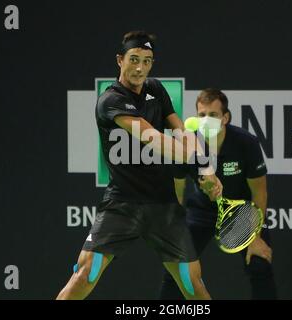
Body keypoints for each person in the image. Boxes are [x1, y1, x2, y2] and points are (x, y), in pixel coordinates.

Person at [56, 31, 222, 300]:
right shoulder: (110, 100)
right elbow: (153, 139)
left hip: (163, 205)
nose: (139, 68)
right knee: (86, 272)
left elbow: (180, 131)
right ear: (120, 60)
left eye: (147, 61)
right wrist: (196, 160)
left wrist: (206, 170)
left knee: (193, 284)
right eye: (134, 59)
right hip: (122, 204)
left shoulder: (155, 89)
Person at [159, 88, 277, 300]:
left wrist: (255, 236)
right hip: (201, 212)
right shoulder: (185, 145)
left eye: (212, 115)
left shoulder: (246, 143)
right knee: (177, 270)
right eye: (201, 115)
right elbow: (177, 188)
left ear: (225, 117)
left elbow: (260, 191)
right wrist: (174, 228)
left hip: (242, 212)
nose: (206, 120)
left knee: (260, 264)